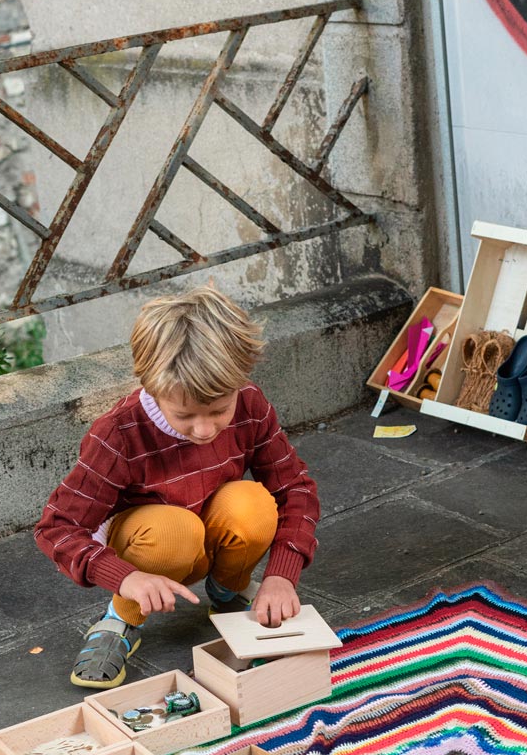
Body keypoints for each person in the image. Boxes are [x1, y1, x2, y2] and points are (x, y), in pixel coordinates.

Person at [34, 285, 320, 688]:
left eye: (220, 410)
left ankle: (228, 589)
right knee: (174, 532)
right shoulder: (117, 433)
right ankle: (121, 618)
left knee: (253, 504)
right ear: (151, 387)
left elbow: (295, 488)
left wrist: (282, 575)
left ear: (241, 382)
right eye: (184, 415)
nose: (204, 430)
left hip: (213, 528)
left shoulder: (251, 403)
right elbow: (56, 528)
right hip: (155, 545)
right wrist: (125, 578)